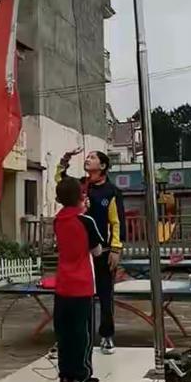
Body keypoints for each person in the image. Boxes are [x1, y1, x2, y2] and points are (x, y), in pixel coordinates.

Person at [55, 148, 126, 355]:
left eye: (92, 157)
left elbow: (117, 222)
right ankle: (76, 337)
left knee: (105, 293)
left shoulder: (112, 192)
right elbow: (60, 180)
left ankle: (106, 335)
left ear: (102, 166)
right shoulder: (79, 186)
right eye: (87, 157)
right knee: (76, 295)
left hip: (102, 250)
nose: (88, 159)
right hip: (80, 252)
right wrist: (65, 158)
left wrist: (116, 248)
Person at [53, 177, 104, 382]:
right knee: (82, 332)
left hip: (62, 283)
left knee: (64, 331)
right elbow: (97, 251)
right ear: (80, 196)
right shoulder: (86, 221)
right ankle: (81, 375)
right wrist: (85, 212)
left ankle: (65, 375)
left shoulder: (57, 220)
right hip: (81, 284)